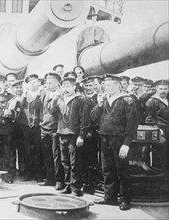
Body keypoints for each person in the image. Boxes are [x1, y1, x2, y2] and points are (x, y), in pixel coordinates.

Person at [91, 74, 138, 211]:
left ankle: (125, 199)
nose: (107, 87)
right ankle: (110, 197)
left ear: (118, 85)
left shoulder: (127, 100)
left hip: (119, 140)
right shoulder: (104, 100)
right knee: (107, 169)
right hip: (105, 138)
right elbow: (94, 118)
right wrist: (99, 105)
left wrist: (126, 144)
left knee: (122, 170)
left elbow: (131, 124)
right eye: (105, 85)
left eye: (110, 85)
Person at [49, 77, 90, 196]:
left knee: (75, 162)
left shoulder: (80, 100)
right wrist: (55, 98)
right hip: (62, 133)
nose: (65, 89)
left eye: (68, 86)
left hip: (74, 135)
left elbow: (85, 120)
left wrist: (81, 136)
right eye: (64, 86)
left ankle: (76, 188)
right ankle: (68, 185)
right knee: (64, 162)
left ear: (74, 87)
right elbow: (51, 111)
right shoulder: (61, 99)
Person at [39, 72, 64, 190]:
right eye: (47, 82)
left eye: (50, 82)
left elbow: (54, 111)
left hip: (56, 128)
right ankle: (49, 179)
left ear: (57, 83)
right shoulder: (45, 93)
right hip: (44, 127)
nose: (48, 85)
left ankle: (59, 180)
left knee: (56, 156)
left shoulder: (61, 95)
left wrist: (55, 99)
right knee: (47, 155)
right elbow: (41, 109)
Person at [18, 74, 43, 181]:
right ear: (27, 84)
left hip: (38, 125)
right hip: (26, 126)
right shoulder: (24, 95)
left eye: (35, 82)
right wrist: (24, 95)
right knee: (27, 150)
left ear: (38, 83)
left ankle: (38, 174)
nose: (33, 84)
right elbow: (19, 106)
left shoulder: (42, 94)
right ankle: (28, 173)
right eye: (31, 82)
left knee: (38, 150)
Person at [145, 79, 169, 172]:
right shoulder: (152, 101)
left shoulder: (167, 99)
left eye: (165, 89)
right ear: (156, 89)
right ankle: (160, 174)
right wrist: (158, 129)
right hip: (160, 131)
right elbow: (149, 119)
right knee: (161, 153)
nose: (163, 91)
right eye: (161, 88)